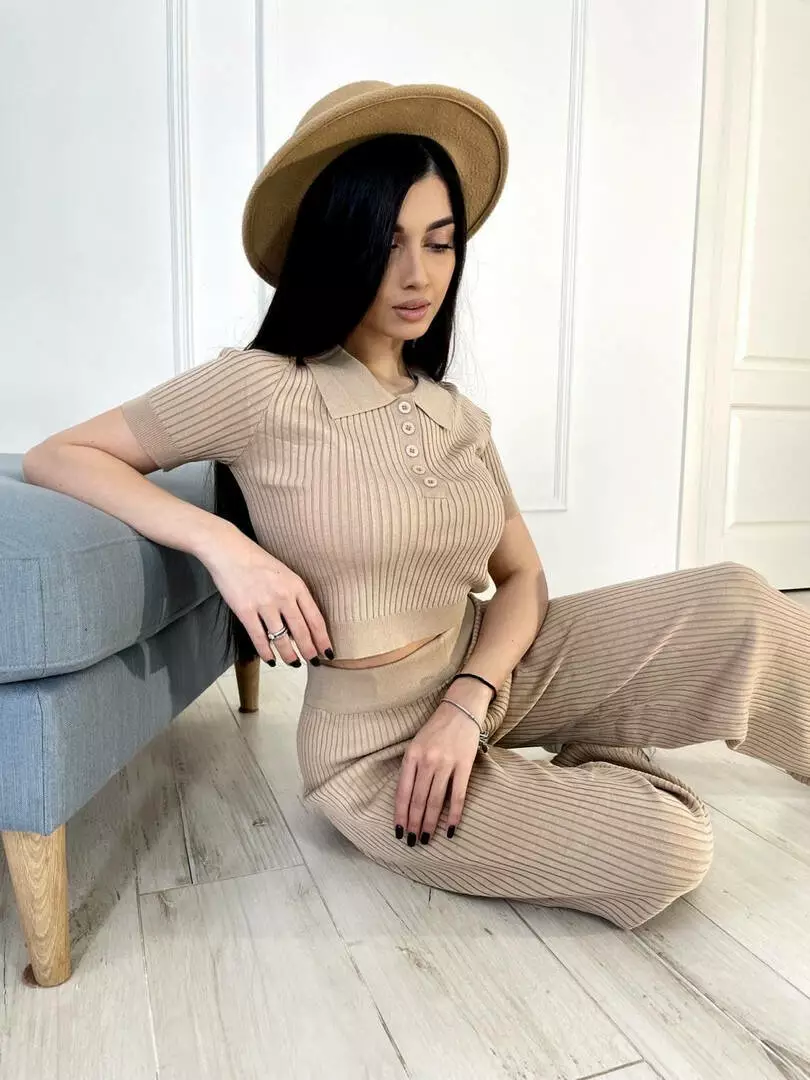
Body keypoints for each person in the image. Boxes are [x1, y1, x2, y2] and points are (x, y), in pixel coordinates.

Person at [30, 81, 810, 931]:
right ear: (336, 246)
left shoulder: (456, 414)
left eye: (440, 245)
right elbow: (58, 455)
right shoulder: (261, 387)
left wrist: (470, 698)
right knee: (668, 847)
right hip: (378, 749)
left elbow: (523, 579)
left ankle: (578, 731)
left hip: (493, 669)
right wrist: (228, 548)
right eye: (386, 243)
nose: (418, 275)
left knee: (742, 602)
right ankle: (597, 741)